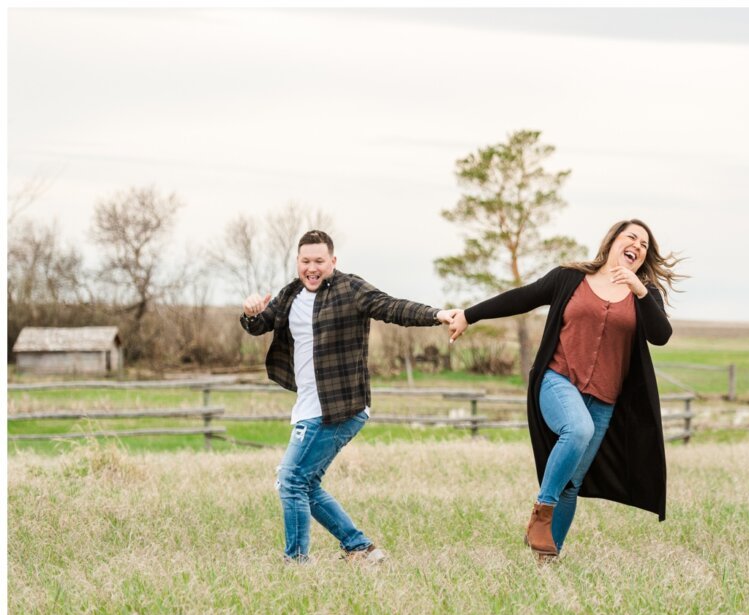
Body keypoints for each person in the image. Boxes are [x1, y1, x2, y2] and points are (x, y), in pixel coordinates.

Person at [448, 219, 681, 560]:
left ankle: (546, 559)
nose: (638, 245)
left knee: (572, 484)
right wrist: (470, 315)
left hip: (604, 399)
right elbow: (523, 297)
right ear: (613, 240)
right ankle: (542, 511)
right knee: (577, 429)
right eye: (631, 237)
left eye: (644, 245)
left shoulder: (644, 296)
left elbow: (660, 335)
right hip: (558, 381)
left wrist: (640, 290)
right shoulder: (570, 278)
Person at [240, 229, 457, 564]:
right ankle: (360, 549)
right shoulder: (291, 293)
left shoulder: (350, 289)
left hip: (340, 407)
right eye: (305, 261)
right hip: (308, 406)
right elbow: (260, 325)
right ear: (298, 262)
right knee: (305, 484)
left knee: (291, 479)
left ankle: (296, 561)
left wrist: (437, 314)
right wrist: (252, 312)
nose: (312, 268)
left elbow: (391, 307)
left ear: (333, 261)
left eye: (319, 261)